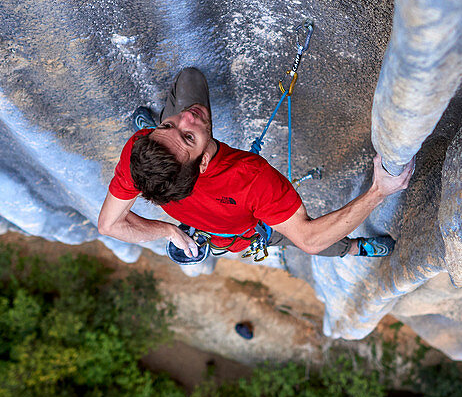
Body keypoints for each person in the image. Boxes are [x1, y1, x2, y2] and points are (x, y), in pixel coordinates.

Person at [98, 67, 413, 261]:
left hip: (192, 206)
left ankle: (174, 144)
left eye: (166, 127)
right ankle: (357, 249)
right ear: (203, 162)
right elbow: (311, 240)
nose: (187, 117)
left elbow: (110, 224)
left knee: (190, 79)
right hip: (239, 232)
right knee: (291, 238)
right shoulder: (251, 177)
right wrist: (378, 192)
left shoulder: (137, 155)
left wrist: (169, 231)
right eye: (188, 137)